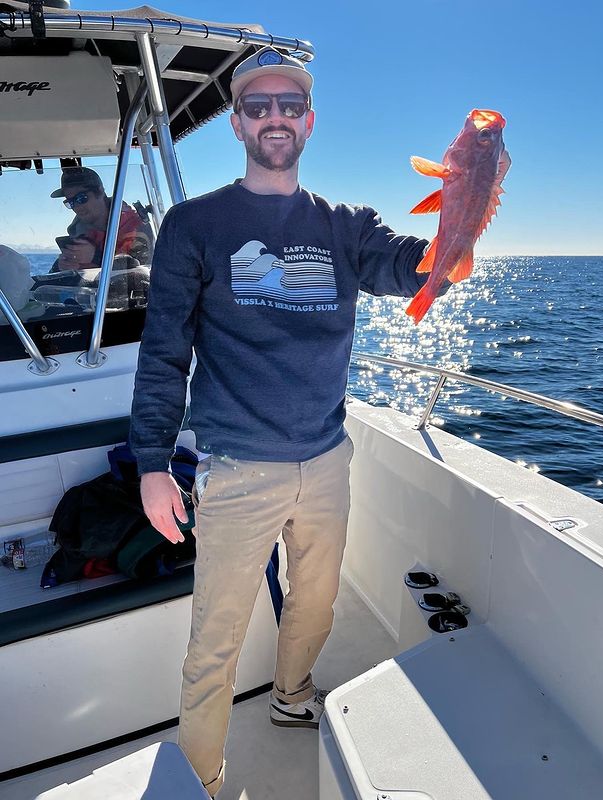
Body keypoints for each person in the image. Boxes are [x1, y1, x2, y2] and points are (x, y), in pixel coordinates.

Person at [130, 47, 449, 797]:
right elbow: (163, 350)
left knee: (316, 601)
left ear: (309, 121)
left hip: (327, 459)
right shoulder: (194, 224)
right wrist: (150, 461)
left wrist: (463, 218)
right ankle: (203, 779)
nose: (275, 116)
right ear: (238, 122)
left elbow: (411, 266)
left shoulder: (345, 225)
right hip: (237, 467)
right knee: (217, 638)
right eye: (258, 105)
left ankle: (292, 693)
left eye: (289, 105)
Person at [49, 167, 153, 272]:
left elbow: (141, 275)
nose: (76, 207)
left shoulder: (135, 226)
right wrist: (62, 267)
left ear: (99, 191)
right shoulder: (78, 232)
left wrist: (95, 257)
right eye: (70, 202)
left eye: (81, 198)